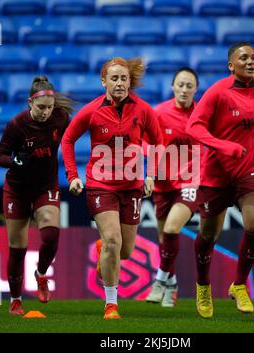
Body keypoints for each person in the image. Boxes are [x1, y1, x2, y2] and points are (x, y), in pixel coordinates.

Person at [186, 42, 254, 318]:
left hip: (250, 167)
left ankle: (239, 284)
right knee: (208, 235)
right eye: (244, 58)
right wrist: (222, 146)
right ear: (231, 65)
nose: (251, 61)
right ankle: (203, 286)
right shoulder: (218, 92)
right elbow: (193, 127)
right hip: (216, 173)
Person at [61, 57, 163, 320]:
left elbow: (158, 140)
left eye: (124, 79)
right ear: (103, 81)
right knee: (113, 241)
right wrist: (73, 176)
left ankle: (103, 249)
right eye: (114, 78)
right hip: (100, 185)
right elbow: (68, 139)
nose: (119, 83)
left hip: (132, 187)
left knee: (125, 251)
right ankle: (111, 304)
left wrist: (151, 174)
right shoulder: (92, 110)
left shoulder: (143, 110)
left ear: (130, 81)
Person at [0, 76, 74, 315]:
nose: (45, 113)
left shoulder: (60, 118)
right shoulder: (17, 124)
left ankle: (41, 274)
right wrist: (15, 160)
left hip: (46, 186)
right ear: (30, 102)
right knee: (18, 246)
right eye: (41, 108)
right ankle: (16, 300)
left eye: (49, 107)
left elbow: (71, 139)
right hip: (17, 190)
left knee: (50, 234)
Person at [146, 67, 201, 307]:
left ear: (196, 89)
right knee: (164, 238)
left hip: (190, 180)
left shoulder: (202, 114)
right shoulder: (159, 113)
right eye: (181, 84)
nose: (185, 89)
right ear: (172, 87)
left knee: (171, 229)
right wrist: (148, 175)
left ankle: (159, 281)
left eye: (189, 85)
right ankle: (173, 285)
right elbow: (147, 146)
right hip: (162, 183)